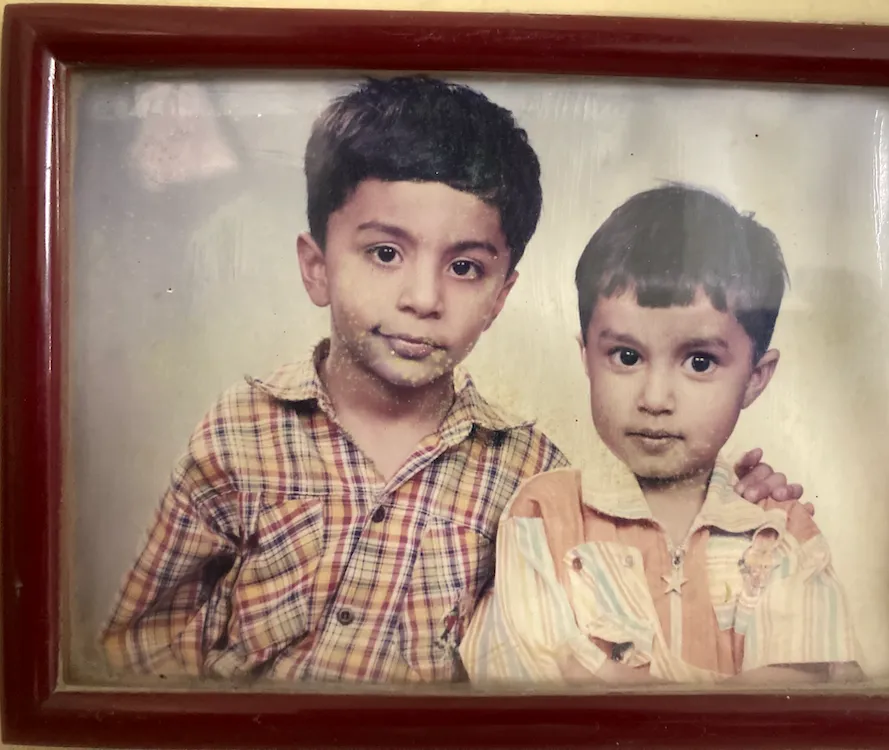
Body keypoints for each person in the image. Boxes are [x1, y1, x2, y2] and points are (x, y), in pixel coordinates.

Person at [101, 78, 801, 684]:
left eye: (465, 267)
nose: (423, 298)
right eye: (384, 253)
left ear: (500, 294)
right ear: (317, 266)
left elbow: (618, 588)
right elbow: (147, 641)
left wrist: (726, 497)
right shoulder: (242, 429)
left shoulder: (529, 475)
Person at [460, 184, 861, 686]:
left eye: (699, 362)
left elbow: (794, 712)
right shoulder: (545, 514)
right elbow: (529, 692)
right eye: (626, 357)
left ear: (756, 378)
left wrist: (609, 679)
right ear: (586, 356)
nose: (654, 397)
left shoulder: (779, 532)